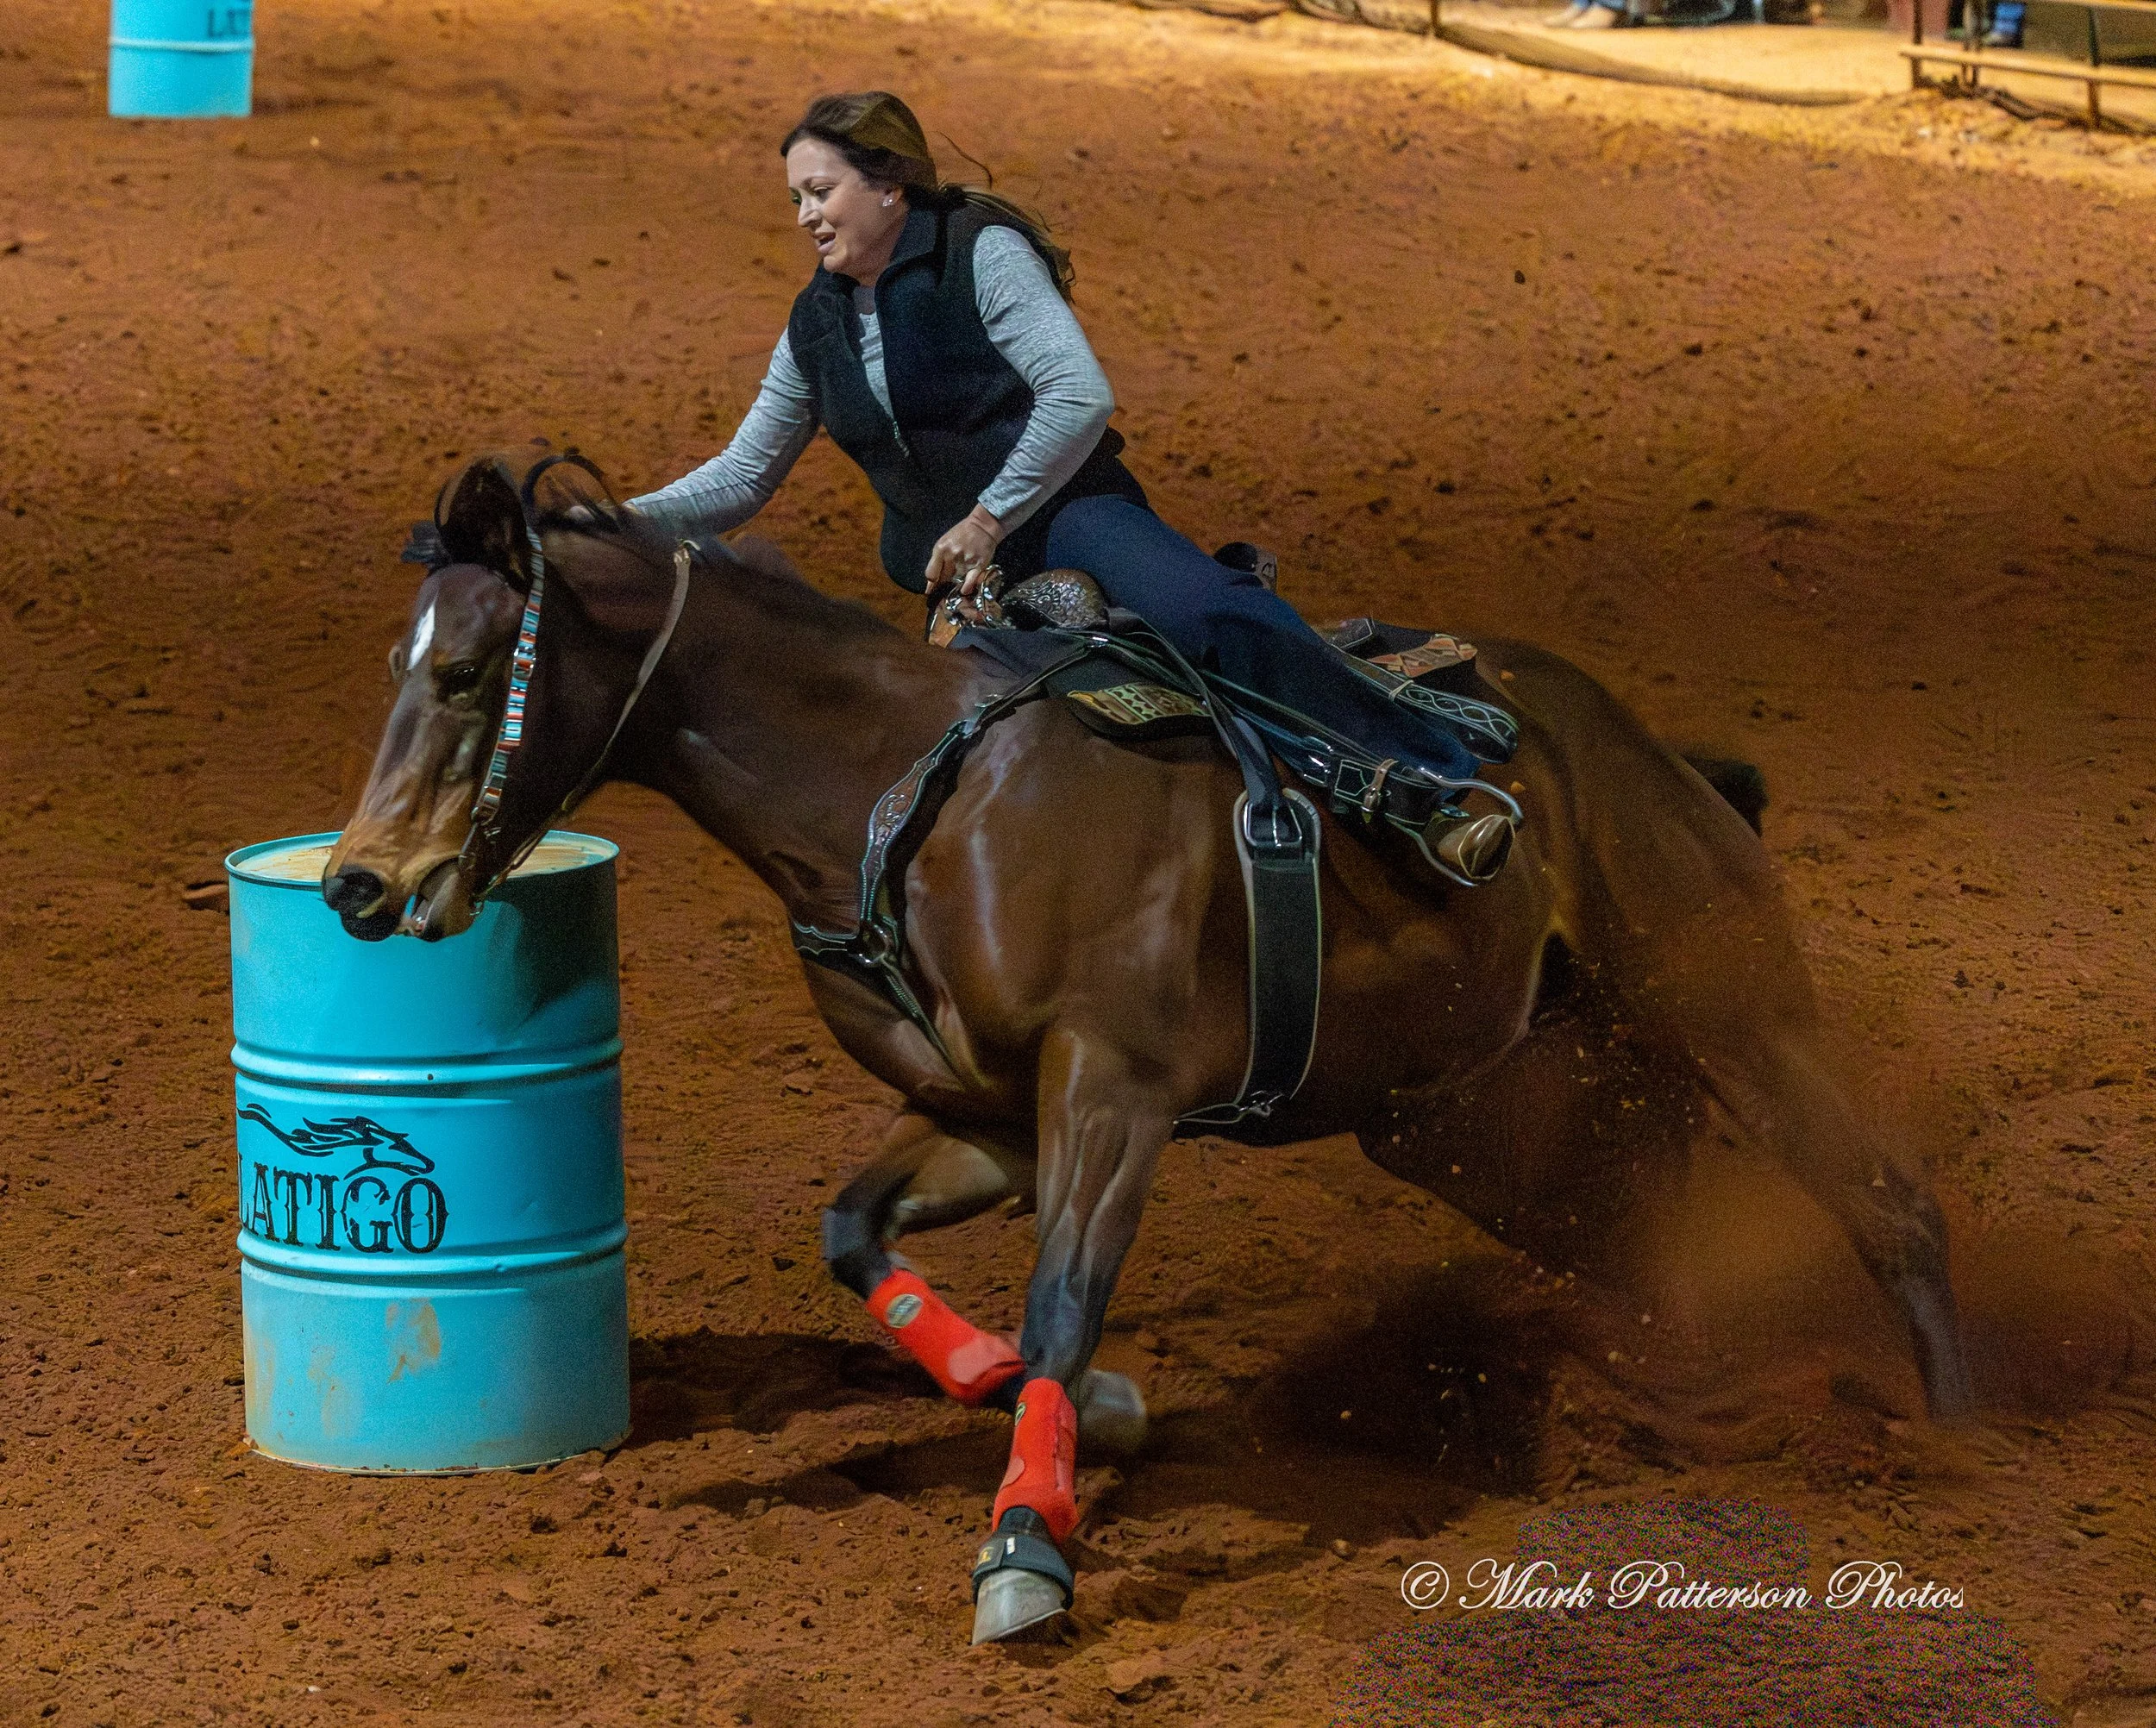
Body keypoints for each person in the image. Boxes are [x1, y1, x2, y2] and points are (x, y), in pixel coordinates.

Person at [629, 91, 1511, 881]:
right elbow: (745, 474)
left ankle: (1427, 784)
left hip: (1072, 520)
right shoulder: (814, 321)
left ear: (889, 184)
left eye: (820, 192)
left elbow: (1078, 395)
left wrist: (986, 517)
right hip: (957, 586)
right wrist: (605, 522)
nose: (804, 218)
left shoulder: (980, 254)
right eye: (796, 199)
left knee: (1206, 612)